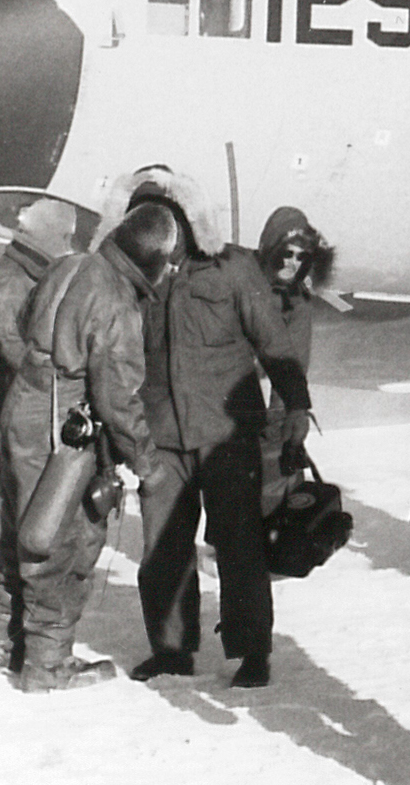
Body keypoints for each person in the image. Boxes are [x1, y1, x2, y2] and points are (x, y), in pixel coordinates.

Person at [135, 204, 332, 689]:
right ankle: (172, 650)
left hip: (227, 432)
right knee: (163, 547)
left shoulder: (231, 269)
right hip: (163, 435)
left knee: (240, 545)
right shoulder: (142, 273)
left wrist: (296, 409)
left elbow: (275, 343)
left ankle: (252, 651)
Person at [0, 199, 182, 693]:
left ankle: (2, 647)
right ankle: (47, 666)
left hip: (25, 405)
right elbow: (118, 398)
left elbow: (22, 321)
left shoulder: (70, 264)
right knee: (64, 539)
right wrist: (147, 462)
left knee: (22, 527)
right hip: (63, 425)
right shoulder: (118, 304)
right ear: (154, 260)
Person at [0, 195, 83, 675]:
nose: (69, 245)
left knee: (7, 502)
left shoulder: (27, 274)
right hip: (3, 409)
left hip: (7, 405)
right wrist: (38, 381)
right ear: (50, 236)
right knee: (7, 502)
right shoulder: (12, 282)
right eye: (66, 236)